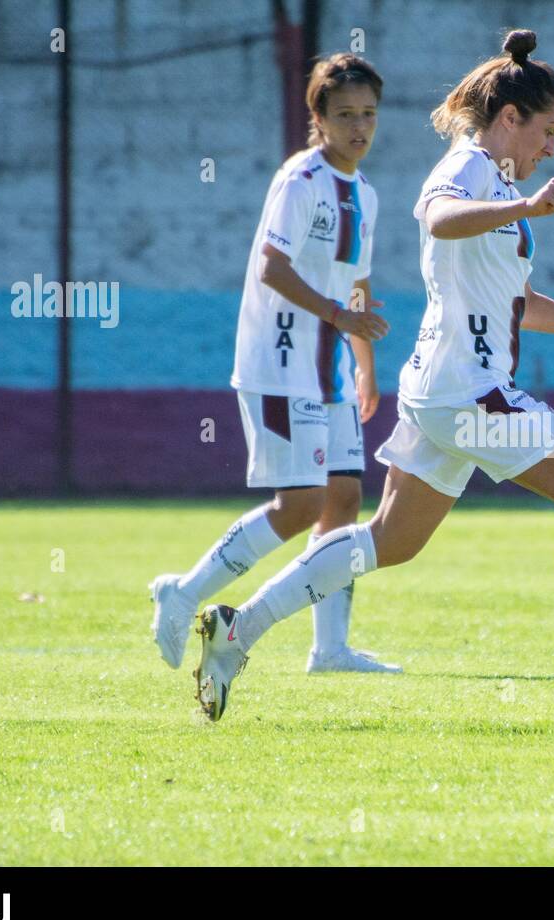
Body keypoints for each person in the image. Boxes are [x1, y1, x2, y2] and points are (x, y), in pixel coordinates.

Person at [190, 29, 554, 724]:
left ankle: (237, 630)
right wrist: (525, 206)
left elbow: (516, 301)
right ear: (510, 118)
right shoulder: (473, 167)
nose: (553, 147)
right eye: (549, 129)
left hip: (441, 390)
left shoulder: (499, 183)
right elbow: (438, 215)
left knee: (389, 542)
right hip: (469, 390)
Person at [149, 53, 403, 676]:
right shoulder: (301, 181)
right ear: (317, 116)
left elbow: (358, 284)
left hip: (333, 371)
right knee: (300, 505)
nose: (359, 127)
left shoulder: (365, 194)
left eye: (368, 114)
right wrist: (341, 321)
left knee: (344, 499)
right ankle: (182, 593)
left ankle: (330, 648)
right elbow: (272, 267)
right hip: (281, 364)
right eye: (344, 114)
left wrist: (366, 366)